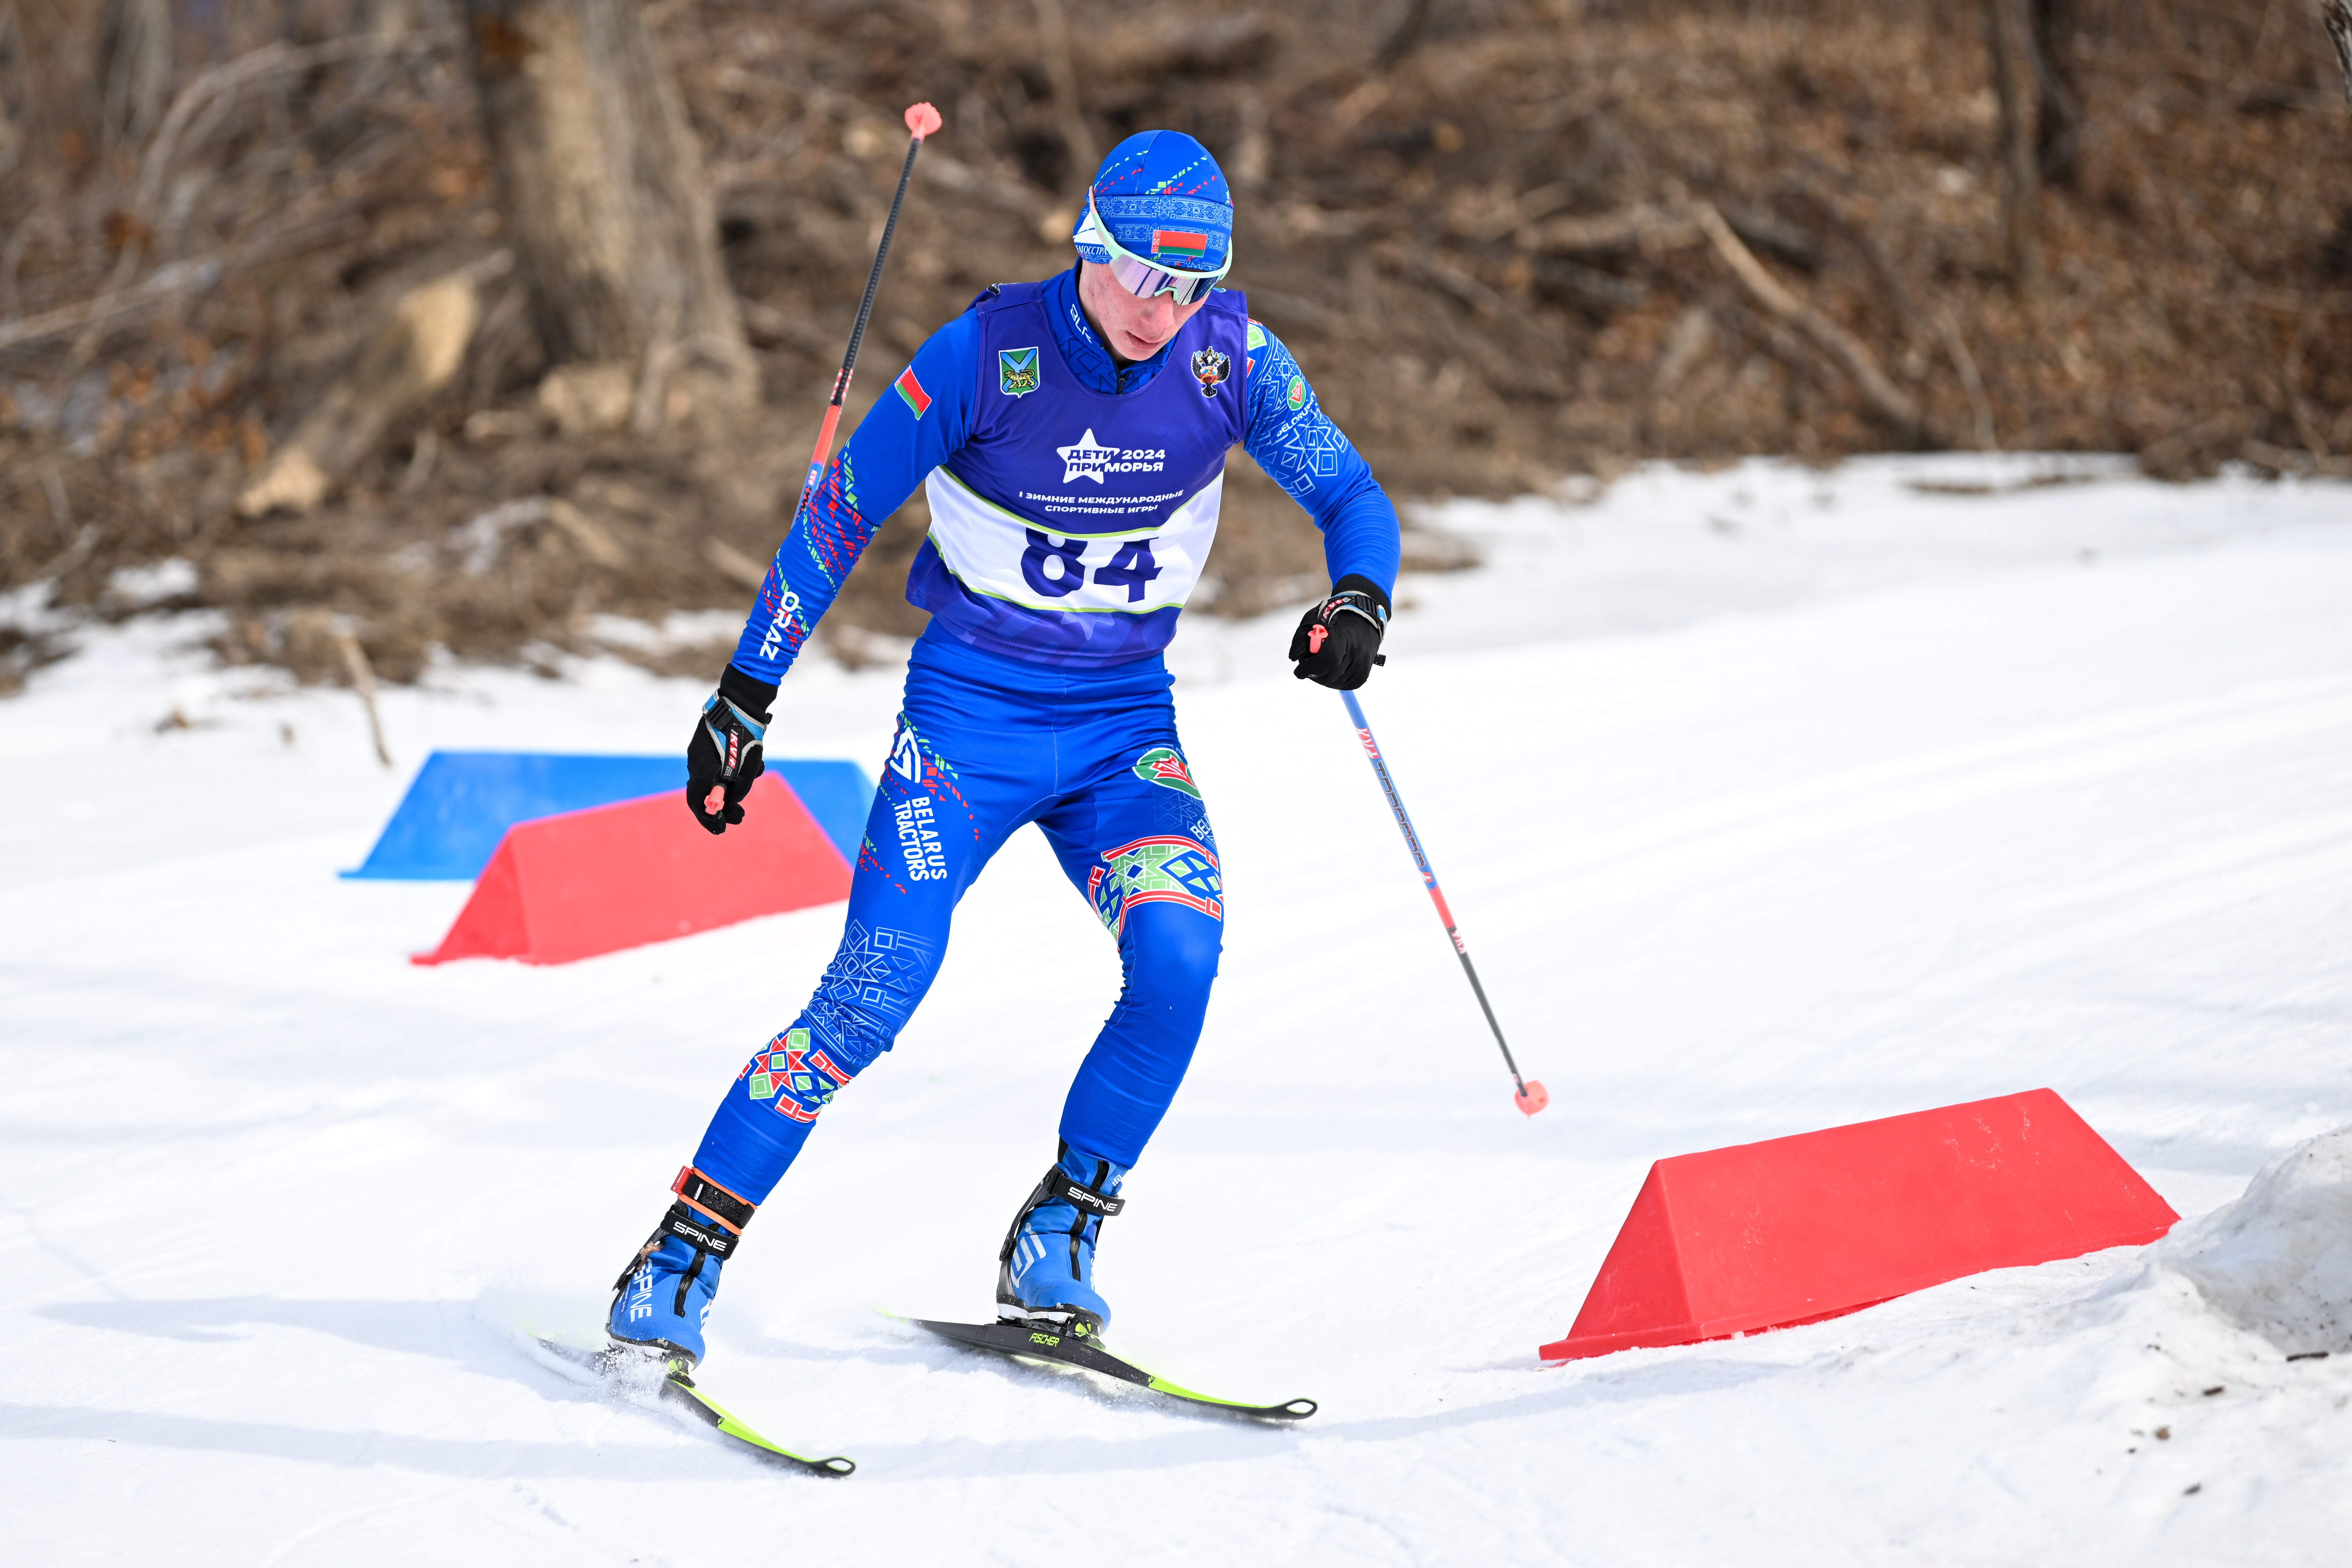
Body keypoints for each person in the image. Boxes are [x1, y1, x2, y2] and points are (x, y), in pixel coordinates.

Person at [606, 130, 1402, 1366]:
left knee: (1180, 956)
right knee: (872, 994)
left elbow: (1351, 496)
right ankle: (678, 1256)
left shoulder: (1232, 359)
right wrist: (744, 697)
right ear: (1090, 244)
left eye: (1189, 285)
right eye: (1143, 274)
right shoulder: (984, 355)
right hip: (966, 731)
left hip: (1121, 735)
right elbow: (839, 512)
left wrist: (1358, 600)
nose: (1160, 309)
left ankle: (1061, 1227)